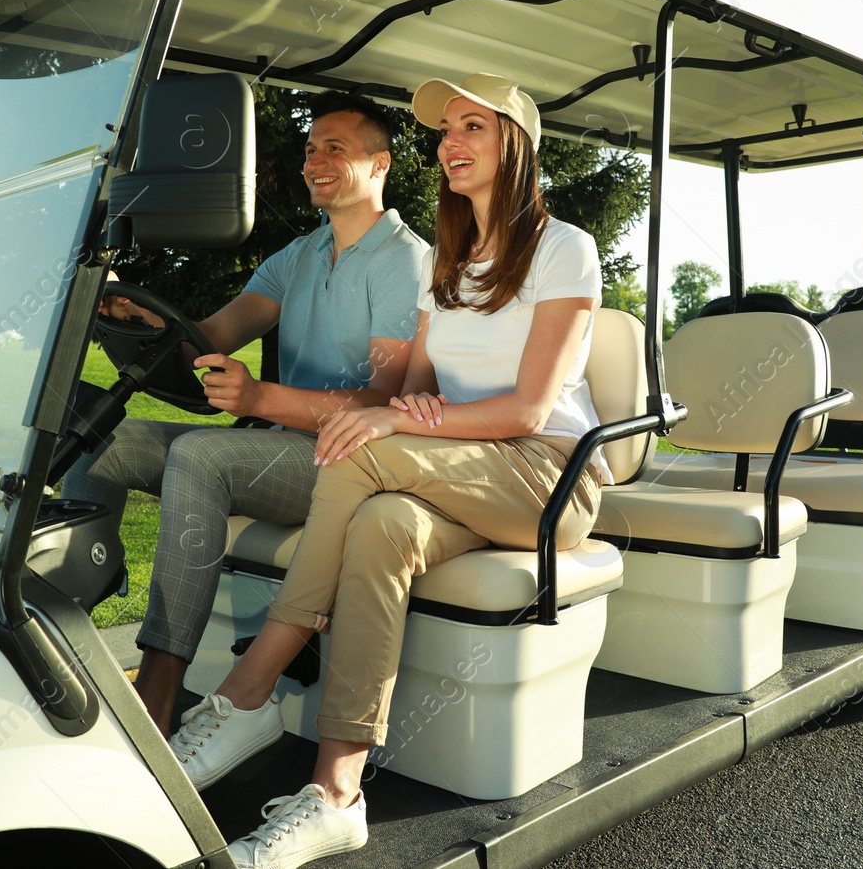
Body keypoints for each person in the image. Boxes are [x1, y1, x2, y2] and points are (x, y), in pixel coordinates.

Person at [172, 73, 611, 869]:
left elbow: (527, 411)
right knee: (381, 524)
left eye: (472, 126)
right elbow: (416, 386)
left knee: (365, 442)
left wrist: (390, 420)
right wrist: (386, 409)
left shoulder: (564, 248)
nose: (450, 143)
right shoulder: (449, 256)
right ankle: (337, 791)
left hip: (547, 480)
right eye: (446, 130)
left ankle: (249, 687)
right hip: (459, 468)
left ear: (516, 145)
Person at [63, 93, 428, 740]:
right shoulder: (301, 255)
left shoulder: (404, 261)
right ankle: (73, 624)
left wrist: (261, 399)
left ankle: (157, 695)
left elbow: (385, 400)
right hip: (284, 447)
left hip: (350, 457)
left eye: (334, 149)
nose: (315, 160)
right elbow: (212, 334)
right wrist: (146, 324)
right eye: (311, 148)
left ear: (380, 165)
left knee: (202, 456)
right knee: (103, 440)